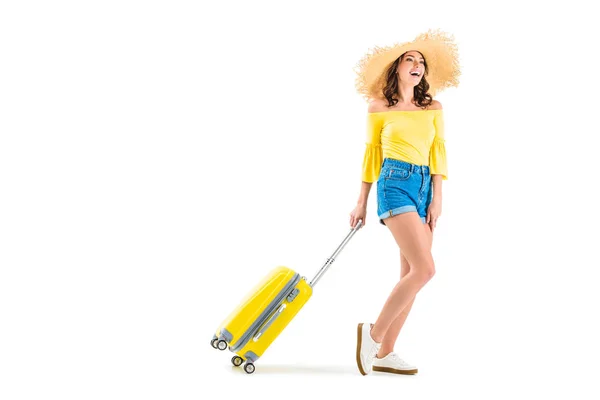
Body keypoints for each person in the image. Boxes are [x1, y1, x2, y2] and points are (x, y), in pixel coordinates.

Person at [349, 29, 461, 376]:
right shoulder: (379, 107)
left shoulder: (434, 108)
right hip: (394, 184)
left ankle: (385, 353)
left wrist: (437, 198)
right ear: (397, 68)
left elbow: (438, 154)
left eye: (421, 62)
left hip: (425, 187)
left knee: (411, 273)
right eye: (409, 60)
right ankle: (373, 333)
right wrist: (361, 202)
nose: (416, 65)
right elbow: (372, 156)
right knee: (425, 269)